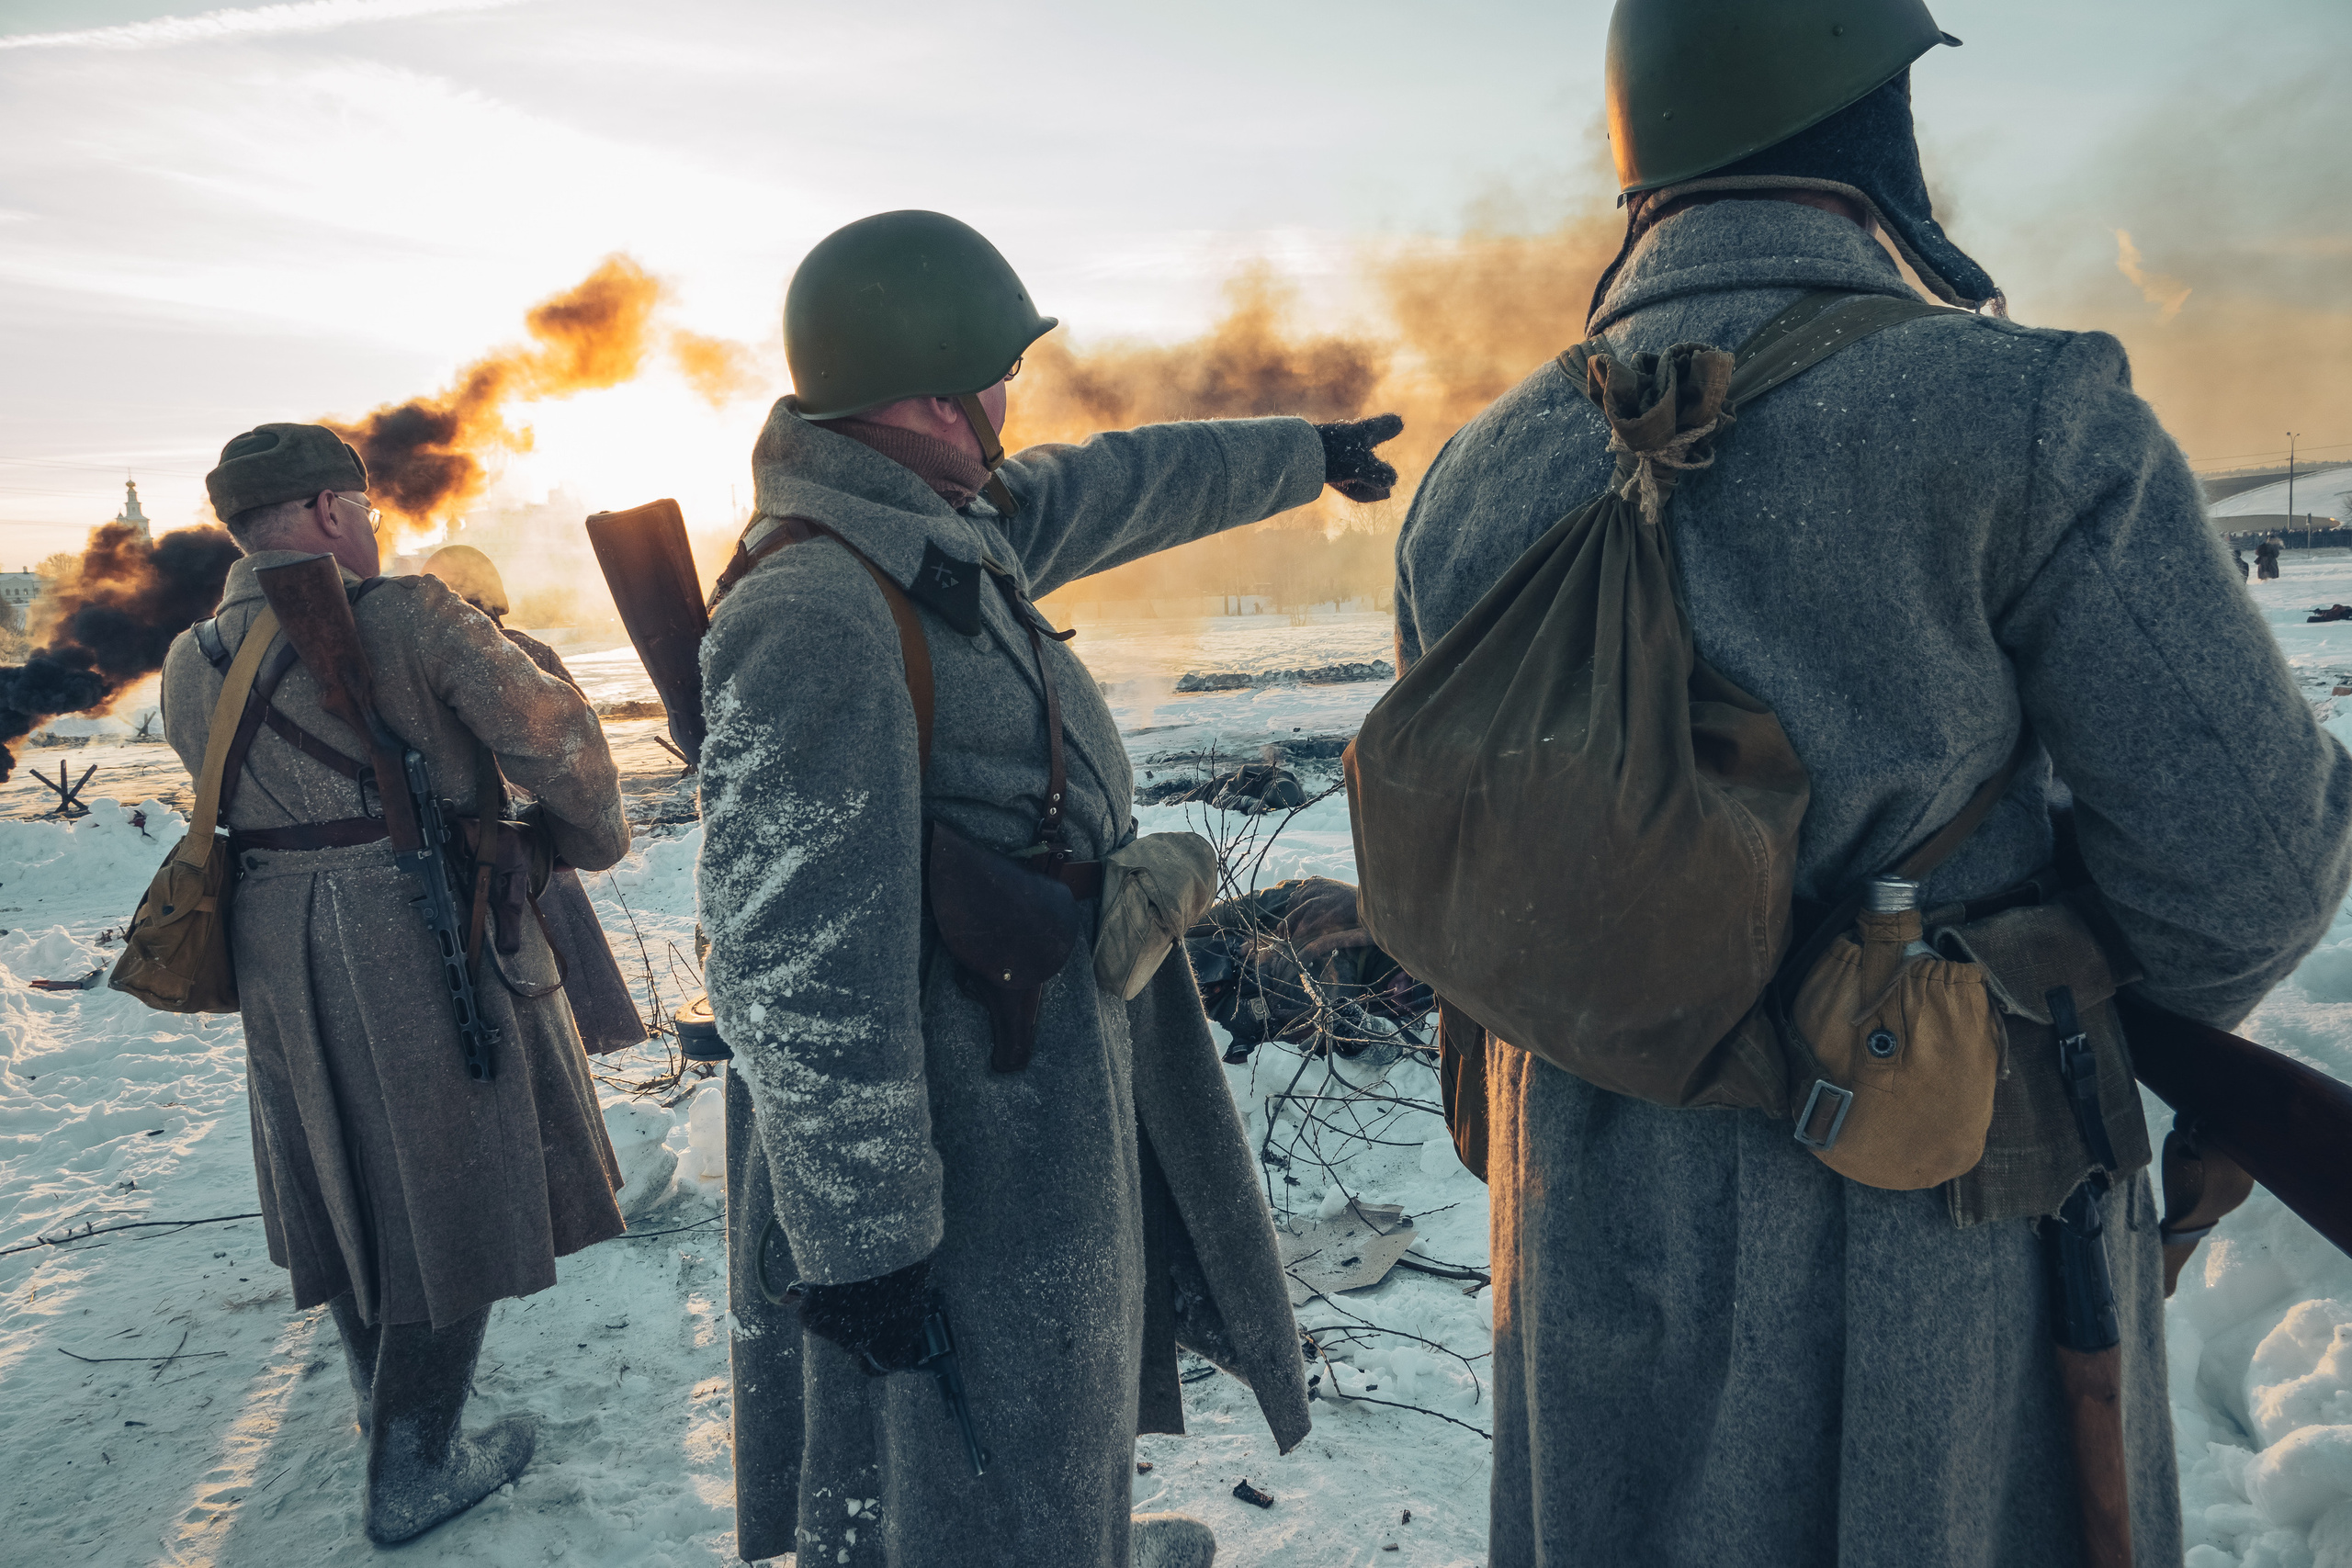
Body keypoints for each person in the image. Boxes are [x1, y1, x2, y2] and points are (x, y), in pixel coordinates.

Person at [1388, 3, 2352, 1564]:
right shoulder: (2024, 412)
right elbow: (2243, 862)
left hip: (1588, 1228)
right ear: (1869, 132)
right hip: (1944, 1219)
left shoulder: (1470, 485)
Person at [697, 209, 1402, 1568]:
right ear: (929, 391)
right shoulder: (818, 604)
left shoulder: (939, 527)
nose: (1016, 400)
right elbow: (792, 964)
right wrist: (868, 1244)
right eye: (996, 373)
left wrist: (1298, 456)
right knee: (973, 1419)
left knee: (1053, 1390)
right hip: (962, 1114)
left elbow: (1122, 482)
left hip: (1035, 1076)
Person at [164, 423, 633, 1545]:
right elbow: (559, 745)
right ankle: (414, 1462)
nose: (371, 528)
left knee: (345, 1182)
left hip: (278, 943)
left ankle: (393, 1416)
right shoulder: (413, 615)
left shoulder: (192, 659)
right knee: (450, 1183)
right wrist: (570, 840)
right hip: (416, 923)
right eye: (361, 510)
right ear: (329, 510)